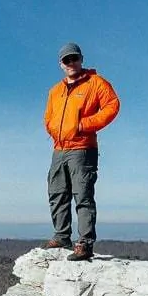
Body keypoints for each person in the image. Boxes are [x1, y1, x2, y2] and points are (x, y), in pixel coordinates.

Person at [42, 42, 120, 260]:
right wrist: (55, 131)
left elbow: (112, 106)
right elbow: (48, 118)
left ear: (81, 59)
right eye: (66, 60)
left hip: (83, 149)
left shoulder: (95, 83)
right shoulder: (55, 91)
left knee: (83, 195)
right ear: (61, 64)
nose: (71, 63)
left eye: (74, 58)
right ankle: (61, 236)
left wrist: (84, 125)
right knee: (57, 193)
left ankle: (84, 243)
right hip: (59, 149)